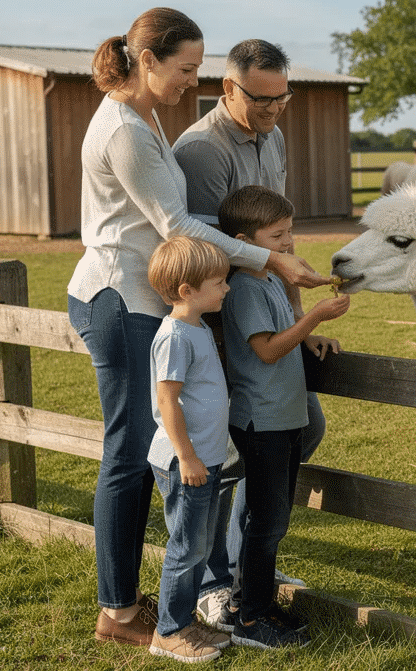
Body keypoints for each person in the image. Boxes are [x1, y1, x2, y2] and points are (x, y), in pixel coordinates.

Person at [66, 7, 329, 647]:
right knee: (128, 456)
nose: (194, 81)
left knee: (169, 449)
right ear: (147, 60)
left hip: (144, 296)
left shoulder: (145, 113)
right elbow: (177, 227)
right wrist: (269, 259)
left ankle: (202, 579)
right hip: (121, 294)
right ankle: (121, 612)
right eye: (186, 68)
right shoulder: (127, 129)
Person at [173, 39, 327, 629]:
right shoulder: (203, 151)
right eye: (260, 100)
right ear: (227, 88)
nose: (272, 110)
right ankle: (219, 582)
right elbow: (216, 247)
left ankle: (247, 565)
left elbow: (275, 236)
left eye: (281, 97)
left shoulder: (275, 135)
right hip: (221, 316)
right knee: (224, 452)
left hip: (267, 304)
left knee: (302, 428)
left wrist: (294, 311)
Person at [217, 185, 350, 649]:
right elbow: (268, 351)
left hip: (285, 418)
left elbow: (285, 338)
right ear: (244, 240)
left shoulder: (272, 280)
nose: (289, 242)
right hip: (263, 423)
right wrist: (314, 319)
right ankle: (251, 621)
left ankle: (246, 604)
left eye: (290, 232)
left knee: (269, 518)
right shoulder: (245, 289)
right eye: (277, 236)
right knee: (267, 521)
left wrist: (311, 337)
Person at [144, 237, 235, 662]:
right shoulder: (175, 336)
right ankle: (170, 631)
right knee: (186, 546)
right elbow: (167, 400)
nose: (227, 289)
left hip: (204, 459)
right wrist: (188, 456)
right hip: (187, 463)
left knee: (197, 544)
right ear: (187, 291)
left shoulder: (197, 328)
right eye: (220, 282)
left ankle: (185, 621)